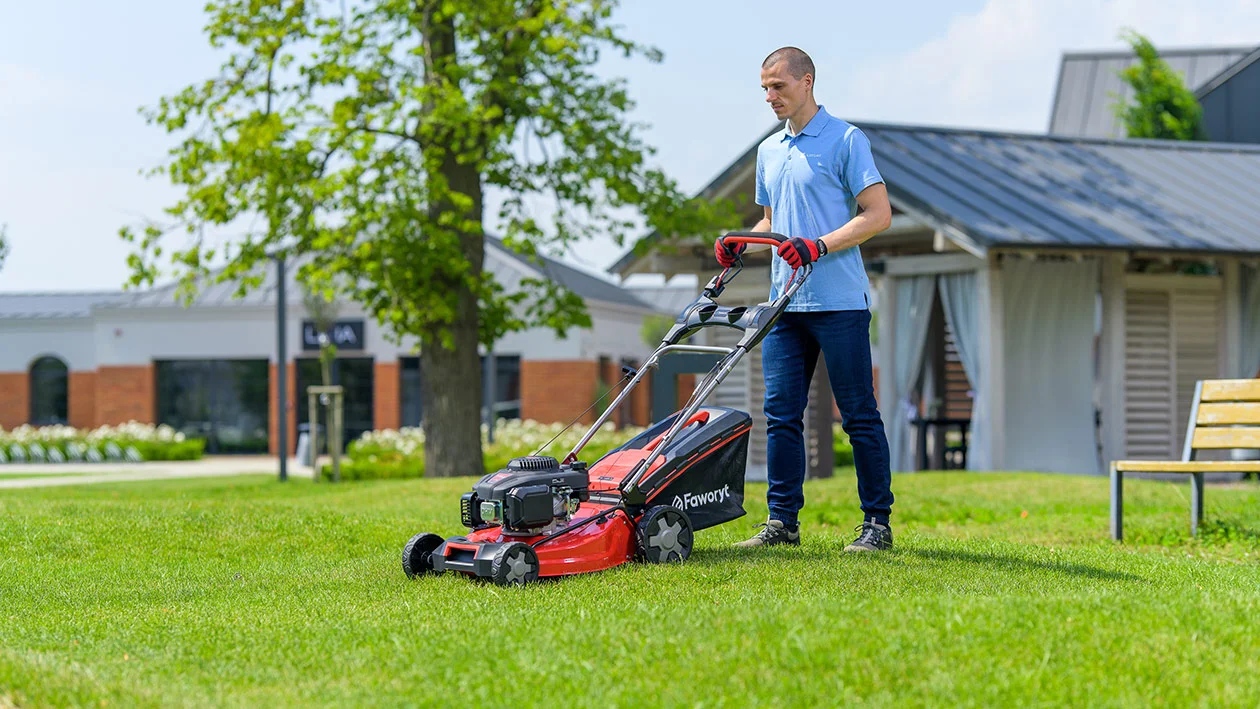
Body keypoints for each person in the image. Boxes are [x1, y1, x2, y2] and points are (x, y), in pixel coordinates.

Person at [722, 47, 895, 552]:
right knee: (780, 414)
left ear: (807, 81)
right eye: (765, 90)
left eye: (779, 86)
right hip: (784, 306)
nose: (771, 97)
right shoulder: (769, 150)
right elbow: (774, 223)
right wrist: (742, 241)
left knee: (858, 412)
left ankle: (876, 524)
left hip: (838, 301)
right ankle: (782, 523)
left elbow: (877, 214)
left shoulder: (845, 139)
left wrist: (818, 245)